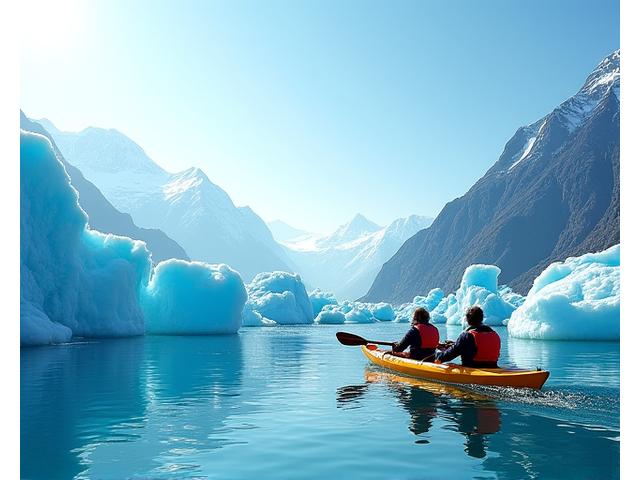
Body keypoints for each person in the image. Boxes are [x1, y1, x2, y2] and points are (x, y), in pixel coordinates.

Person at [434, 306, 501, 368]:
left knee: (438, 354)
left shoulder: (467, 335)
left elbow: (452, 353)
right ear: (482, 318)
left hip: (473, 368)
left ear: (468, 320)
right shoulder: (495, 334)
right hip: (493, 367)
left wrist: (439, 357)